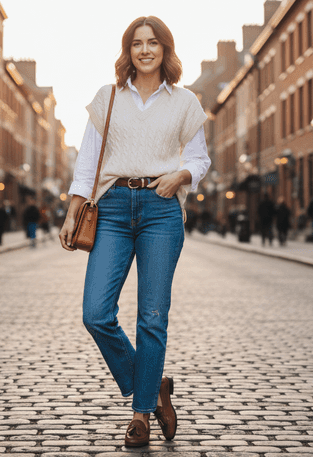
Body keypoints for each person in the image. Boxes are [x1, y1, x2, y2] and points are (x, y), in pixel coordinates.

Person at [58, 16, 210, 448]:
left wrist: (180, 175)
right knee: (96, 313)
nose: (145, 50)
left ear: (165, 49)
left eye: (153, 43)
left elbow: (199, 159)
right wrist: (72, 212)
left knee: (152, 317)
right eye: (137, 43)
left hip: (161, 211)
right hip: (111, 209)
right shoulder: (107, 98)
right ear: (128, 51)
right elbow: (88, 162)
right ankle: (153, 384)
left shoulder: (185, 102)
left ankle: (141, 414)